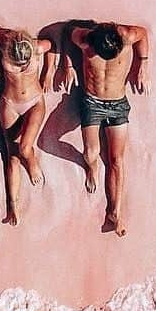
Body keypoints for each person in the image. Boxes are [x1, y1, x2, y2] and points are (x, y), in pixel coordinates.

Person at [61, 21, 150, 236]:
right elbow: (66, 33)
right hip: (92, 103)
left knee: (116, 161)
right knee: (90, 153)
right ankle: (92, 169)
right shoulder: (84, 39)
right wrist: (68, 66)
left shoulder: (127, 35)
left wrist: (142, 64)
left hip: (118, 104)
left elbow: (143, 34)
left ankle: (114, 212)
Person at [0, 28, 55, 226]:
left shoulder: (36, 47)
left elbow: (52, 43)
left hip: (34, 102)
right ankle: (13, 207)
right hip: (10, 103)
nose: (21, 66)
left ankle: (33, 163)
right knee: (12, 157)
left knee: (25, 148)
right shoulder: (4, 41)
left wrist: (49, 71)